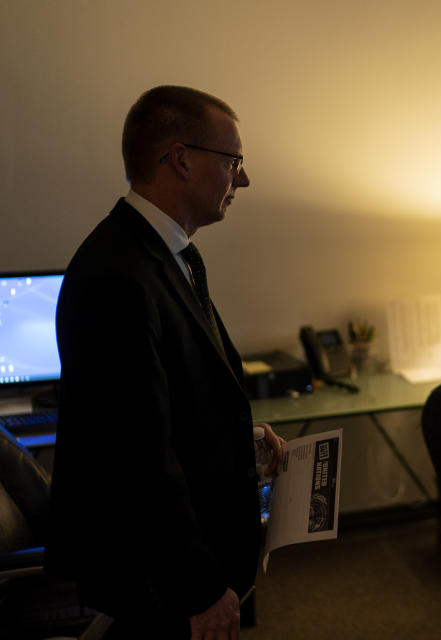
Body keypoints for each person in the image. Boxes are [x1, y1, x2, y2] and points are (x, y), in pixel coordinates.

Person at [47, 86, 284, 639]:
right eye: (233, 162)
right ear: (181, 159)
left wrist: (237, 437)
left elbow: (166, 401)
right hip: (159, 582)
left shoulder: (163, 255)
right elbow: (137, 456)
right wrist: (198, 587)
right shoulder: (115, 274)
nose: (242, 179)